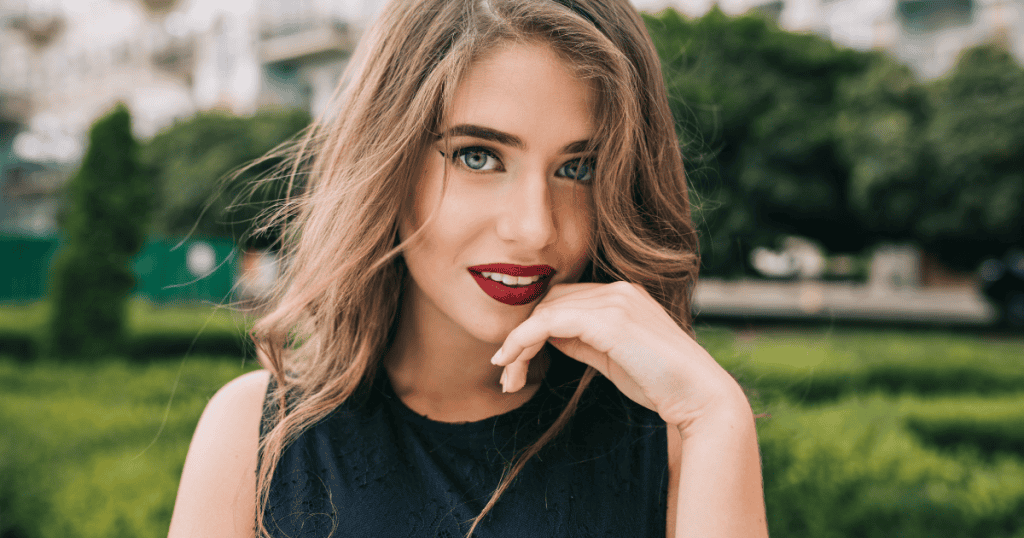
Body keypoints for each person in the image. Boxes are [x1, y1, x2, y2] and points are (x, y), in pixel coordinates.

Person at [168, 0, 768, 536]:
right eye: (478, 157)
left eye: (577, 169)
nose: (535, 227)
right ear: (389, 164)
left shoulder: (673, 440)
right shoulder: (255, 436)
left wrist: (717, 418)